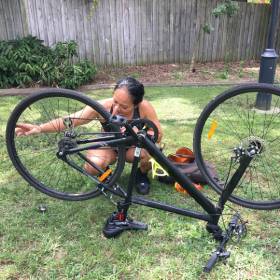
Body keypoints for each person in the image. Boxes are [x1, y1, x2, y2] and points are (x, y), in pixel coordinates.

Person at [15, 77, 163, 195]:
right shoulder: (102, 106)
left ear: (136, 104)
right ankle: (108, 177)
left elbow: (157, 133)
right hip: (108, 144)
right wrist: (40, 128)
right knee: (92, 166)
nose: (116, 109)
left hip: (132, 147)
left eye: (124, 107)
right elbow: (71, 120)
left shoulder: (144, 107)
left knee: (148, 153)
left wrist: (140, 135)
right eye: (115, 102)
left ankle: (141, 174)